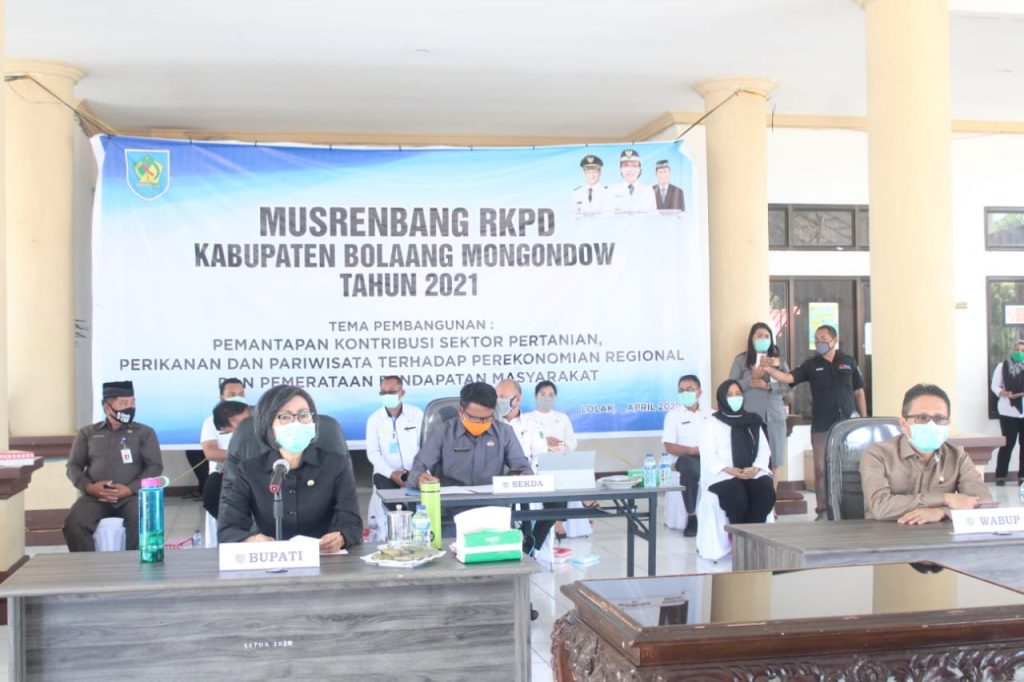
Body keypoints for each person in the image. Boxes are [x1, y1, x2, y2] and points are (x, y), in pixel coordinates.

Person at [218, 385, 362, 552]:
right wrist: (252, 541)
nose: (296, 423)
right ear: (268, 426)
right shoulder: (249, 470)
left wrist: (341, 537)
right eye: (285, 417)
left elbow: (352, 523)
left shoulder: (336, 465)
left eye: (303, 415)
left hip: (323, 558)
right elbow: (228, 529)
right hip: (270, 559)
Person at [762, 324, 867, 520]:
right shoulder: (811, 365)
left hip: (848, 425)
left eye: (823, 339)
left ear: (834, 340)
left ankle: (851, 508)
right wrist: (768, 369)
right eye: (817, 339)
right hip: (822, 426)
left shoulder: (849, 362)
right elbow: (789, 378)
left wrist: (863, 419)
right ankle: (823, 510)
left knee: (852, 467)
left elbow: (859, 392)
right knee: (821, 469)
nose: (819, 342)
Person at [860, 383, 992, 524]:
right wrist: (945, 498)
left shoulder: (958, 457)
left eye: (939, 418)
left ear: (948, 423)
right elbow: (880, 507)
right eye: (922, 418)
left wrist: (942, 512)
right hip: (885, 534)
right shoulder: (877, 455)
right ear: (903, 423)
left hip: (938, 535)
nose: (931, 425)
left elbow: (984, 504)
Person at [63, 381, 163, 551]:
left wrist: (130, 489)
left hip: (132, 496)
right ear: (107, 407)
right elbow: (73, 466)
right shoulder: (88, 433)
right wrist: (89, 487)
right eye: (124, 403)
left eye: (132, 402)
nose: (130, 407)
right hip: (95, 496)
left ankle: (134, 564)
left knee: (143, 522)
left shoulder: (144, 432)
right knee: (74, 523)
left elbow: (155, 466)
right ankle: (87, 564)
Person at [407, 381, 533, 490]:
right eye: (474, 418)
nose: (480, 423)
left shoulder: (505, 433)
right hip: (451, 506)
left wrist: (519, 477)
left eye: (486, 418)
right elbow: (417, 470)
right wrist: (420, 479)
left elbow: (523, 468)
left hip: (493, 505)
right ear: (461, 411)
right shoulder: (442, 433)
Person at [497, 378, 560, 551]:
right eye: (497, 396)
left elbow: (540, 457)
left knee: (557, 504)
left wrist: (530, 478)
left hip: (527, 479)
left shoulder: (532, 425)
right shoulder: (491, 424)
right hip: (497, 481)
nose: (498, 401)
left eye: (503, 397)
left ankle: (532, 547)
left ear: (517, 399)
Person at [700, 380, 776, 524]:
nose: (734, 398)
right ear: (722, 398)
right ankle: (738, 533)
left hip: (751, 471)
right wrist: (731, 470)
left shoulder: (753, 420)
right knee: (737, 499)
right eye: (729, 395)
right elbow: (708, 456)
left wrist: (756, 468)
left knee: (766, 494)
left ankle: (751, 532)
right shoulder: (710, 422)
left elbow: (764, 450)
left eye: (738, 394)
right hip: (723, 473)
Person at [728, 323, 792, 471]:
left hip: (774, 418)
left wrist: (768, 386)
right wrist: (752, 378)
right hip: (749, 417)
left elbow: (790, 384)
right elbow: (731, 387)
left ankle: (772, 487)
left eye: (767, 336)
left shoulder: (778, 361)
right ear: (752, 339)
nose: (763, 339)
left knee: (773, 463)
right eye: (759, 336)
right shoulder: (741, 360)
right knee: (750, 462)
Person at [661, 374, 708, 537]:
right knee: (690, 469)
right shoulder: (673, 415)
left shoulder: (710, 414)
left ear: (699, 392)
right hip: (684, 458)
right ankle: (691, 517)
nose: (685, 393)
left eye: (689, 389)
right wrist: (692, 451)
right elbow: (669, 446)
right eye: (681, 390)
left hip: (708, 456)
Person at [365, 375, 423, 490]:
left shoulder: (416, 414)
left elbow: (424, 446)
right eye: (383, 393)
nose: (387, 396)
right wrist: (391, 473)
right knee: (391, 499)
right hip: (386, 473)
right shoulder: (374, 419)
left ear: (402, 393)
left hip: (415, 471)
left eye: (391, 392)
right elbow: (373, 453)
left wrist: (416, 471)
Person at [197, 377, 247, 497]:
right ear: (222, 397)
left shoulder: (255, 420)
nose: (238, 397)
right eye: (232, 394)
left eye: (241, 394)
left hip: (251, 474)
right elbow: (211, 453)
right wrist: (244, 457)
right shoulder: (211, 421)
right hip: (222, 474)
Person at [202, 399, 251, 519]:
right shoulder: (245, 428)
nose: (234, 432)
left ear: (233, 421)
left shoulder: (261, 421)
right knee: (213, 488)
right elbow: (212, 453)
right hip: (231, 473)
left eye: (231, 431)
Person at [991, 340, 1024, 486]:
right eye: (1017, 350)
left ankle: (1022, 476)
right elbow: (995, 386)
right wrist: (1003, 393)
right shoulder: (1002, 366)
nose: (1020, 353)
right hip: (1007, 411)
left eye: (1022, 351)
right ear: (1012, 351)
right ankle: (1001, 475)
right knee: (1007, 444)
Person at [523, 380, 577, 453]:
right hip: (535, 459)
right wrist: (545, 443)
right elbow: (522, 444)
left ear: (555, 397)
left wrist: (557, 445)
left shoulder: (562, 418)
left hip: (559, 458)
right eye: (543, 394)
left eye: (550, 395)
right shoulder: (526, 418)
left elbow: (572, 444)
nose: (547, 398)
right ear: (535, 396)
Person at [609, 148, 656, 215]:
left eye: (634, 166)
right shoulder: (612, 190)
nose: (630, 170)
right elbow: (607, 216)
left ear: (640, 168)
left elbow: (653, 216)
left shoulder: (648, 190)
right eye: (626, 166)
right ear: (620, 168)